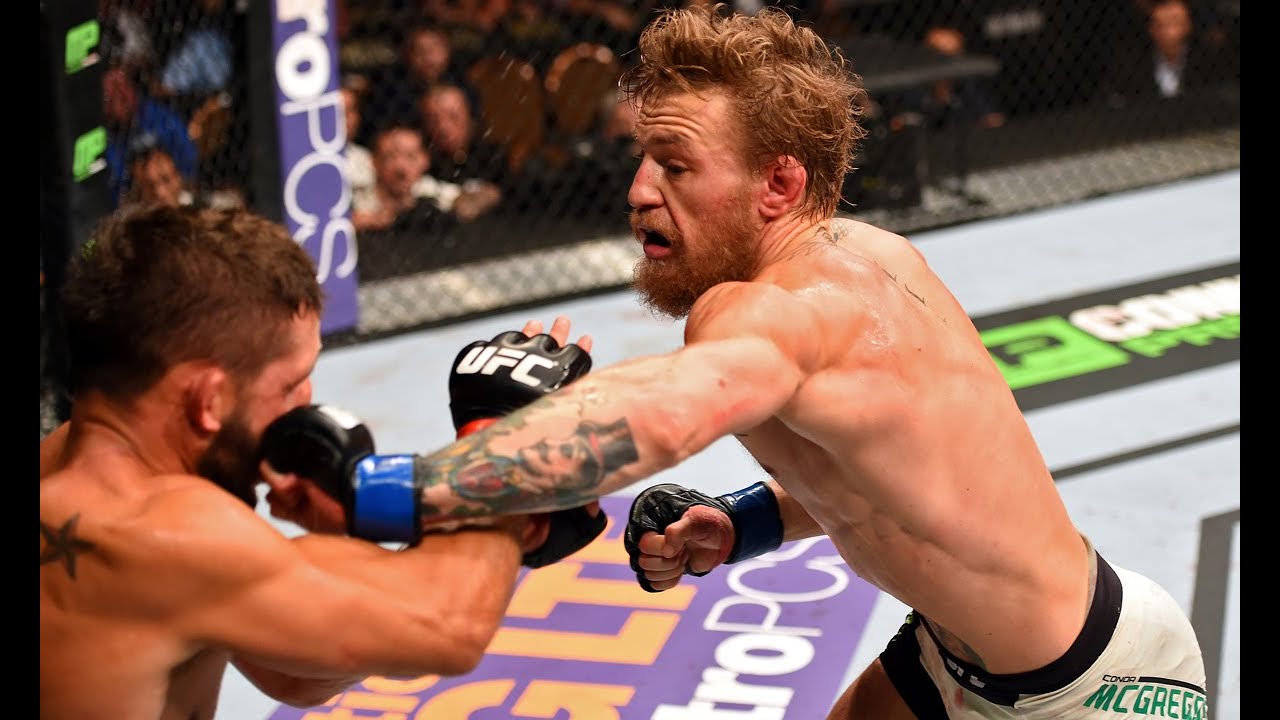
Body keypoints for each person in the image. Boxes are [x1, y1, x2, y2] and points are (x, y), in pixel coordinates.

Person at [301, 5, 1208, 718]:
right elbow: (909, 480)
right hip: (979, 652)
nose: (638, 192)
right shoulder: (874, 254)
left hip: (1090, 694)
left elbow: (660, 414)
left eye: (675, 165)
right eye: (643, 159)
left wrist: (387, 487)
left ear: (778, 183)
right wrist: (744, 525)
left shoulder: (761, 312)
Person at [38, 203, 601, 719]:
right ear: (209, 400)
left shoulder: (73, 461)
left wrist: (344, 530)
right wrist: (500, 446)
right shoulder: (165, 531)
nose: (305, 403)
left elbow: (294, 677)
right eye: (289, 384)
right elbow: (450, 629)